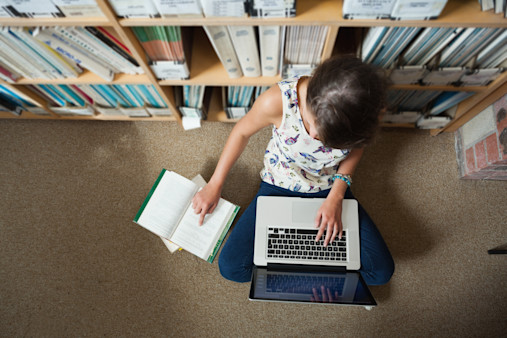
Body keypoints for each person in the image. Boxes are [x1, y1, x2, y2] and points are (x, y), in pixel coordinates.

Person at [192, 56, 395, 285]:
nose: (316, 137)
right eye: (313, 125)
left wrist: (336, 196)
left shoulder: (365, 113)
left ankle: (304, 273)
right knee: (231, 268)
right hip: (278, 184)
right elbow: (241, 132)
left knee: (380, 273)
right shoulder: (277, 101)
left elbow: (357, 148)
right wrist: (215, 184)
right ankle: (317, 274)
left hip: (330, 188)